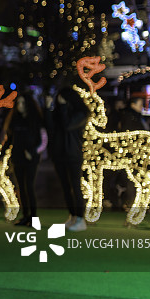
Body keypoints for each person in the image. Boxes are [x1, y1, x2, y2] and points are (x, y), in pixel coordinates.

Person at [45, 86, 89, 232]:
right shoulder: (59, 112)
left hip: (73, 154)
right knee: (65, 187)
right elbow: (50, 127)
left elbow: (67, 125)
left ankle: (81, 219)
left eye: (62, 97)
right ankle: (73, 216)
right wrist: (48, 109)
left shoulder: (81, 113)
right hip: (59, 153)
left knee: (75, 187)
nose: (59, 99)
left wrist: (62, 107)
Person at [3, 92, 47, 227]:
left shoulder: (36, 120)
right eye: (18, 103)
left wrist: (33, 152)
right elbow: (10, 138)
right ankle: (25, 216)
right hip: (17, 157)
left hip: (31, 158)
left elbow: (43, 140)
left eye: (23, 103)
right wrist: (2, 152)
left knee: (29, 186)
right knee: (21, 188)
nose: (20, 106)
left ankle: (34, 218)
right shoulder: (15, 120)